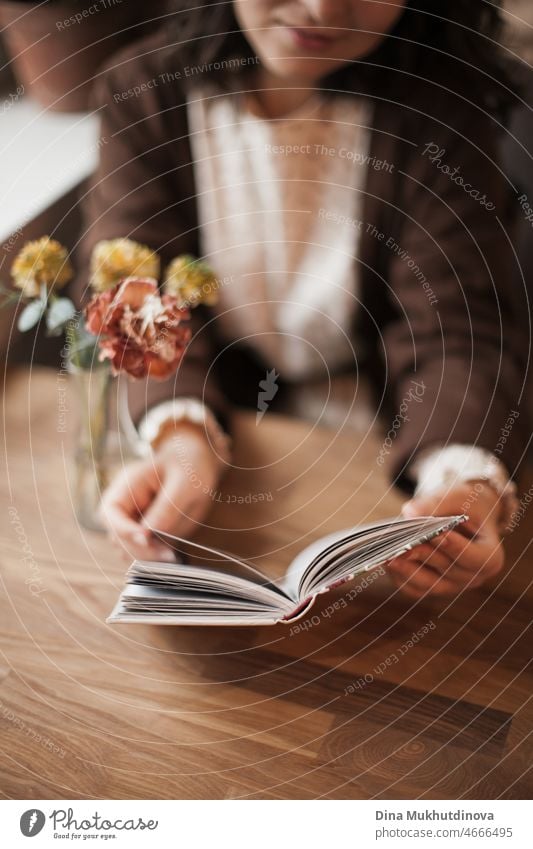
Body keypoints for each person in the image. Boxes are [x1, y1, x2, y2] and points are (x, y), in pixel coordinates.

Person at [76, 0, 528, 599]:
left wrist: (465, 480)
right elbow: (136, 289)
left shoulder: (440, 112)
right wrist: (181, 435)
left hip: (388, 435)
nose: (320, 8)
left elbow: (461, 325)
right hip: (223, 422)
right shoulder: (144, 91)